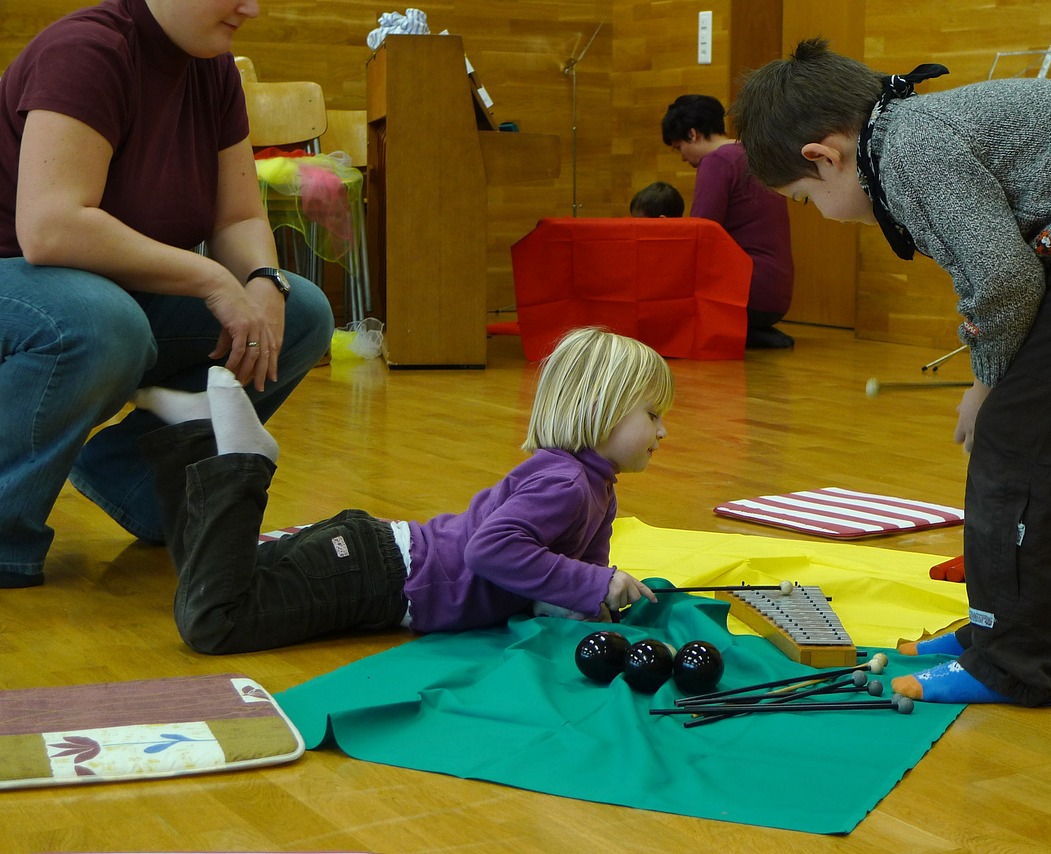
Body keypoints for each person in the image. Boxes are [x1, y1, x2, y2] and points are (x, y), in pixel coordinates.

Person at [732, 38, 1051, 706]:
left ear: (825, 157)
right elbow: (997, 271)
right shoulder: (907, 135)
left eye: (803, 198)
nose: (815, 214)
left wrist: (986, 382)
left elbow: (1002, 277)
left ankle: (1014, 661)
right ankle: (1001, 637)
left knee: (1020, 444)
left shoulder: (908, 149)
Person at [0, 0, 334, 589]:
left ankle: (134, 479)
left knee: (301, 312)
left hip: (109, 289)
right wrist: (209, 279)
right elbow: (52, 228)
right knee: (102, 324)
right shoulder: (87, 52)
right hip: (21, 277)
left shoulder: (214, 68)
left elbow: (236, 218)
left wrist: (264, 282)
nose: (252, 8)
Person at [133, 326, 668, 654]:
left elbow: (575, 580)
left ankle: (197, 437)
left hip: (373, 554)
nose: (663, 432)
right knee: (214, 622)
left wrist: (596, 596)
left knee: (212, 576)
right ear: (604, 408)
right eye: (653, 415)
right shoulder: (568, 483)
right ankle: (242, 461)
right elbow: (493, 550)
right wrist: (595, 584)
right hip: (376, 576)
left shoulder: (592, 485)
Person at [662, 94, 796, 349]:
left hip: (748, 292)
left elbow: (700, 230)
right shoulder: (753, 154)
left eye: (679, 147)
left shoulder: (717, 161)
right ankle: (752, 332)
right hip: (775, 291)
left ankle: (739, 330)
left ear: (693, 134)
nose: (682, 157)